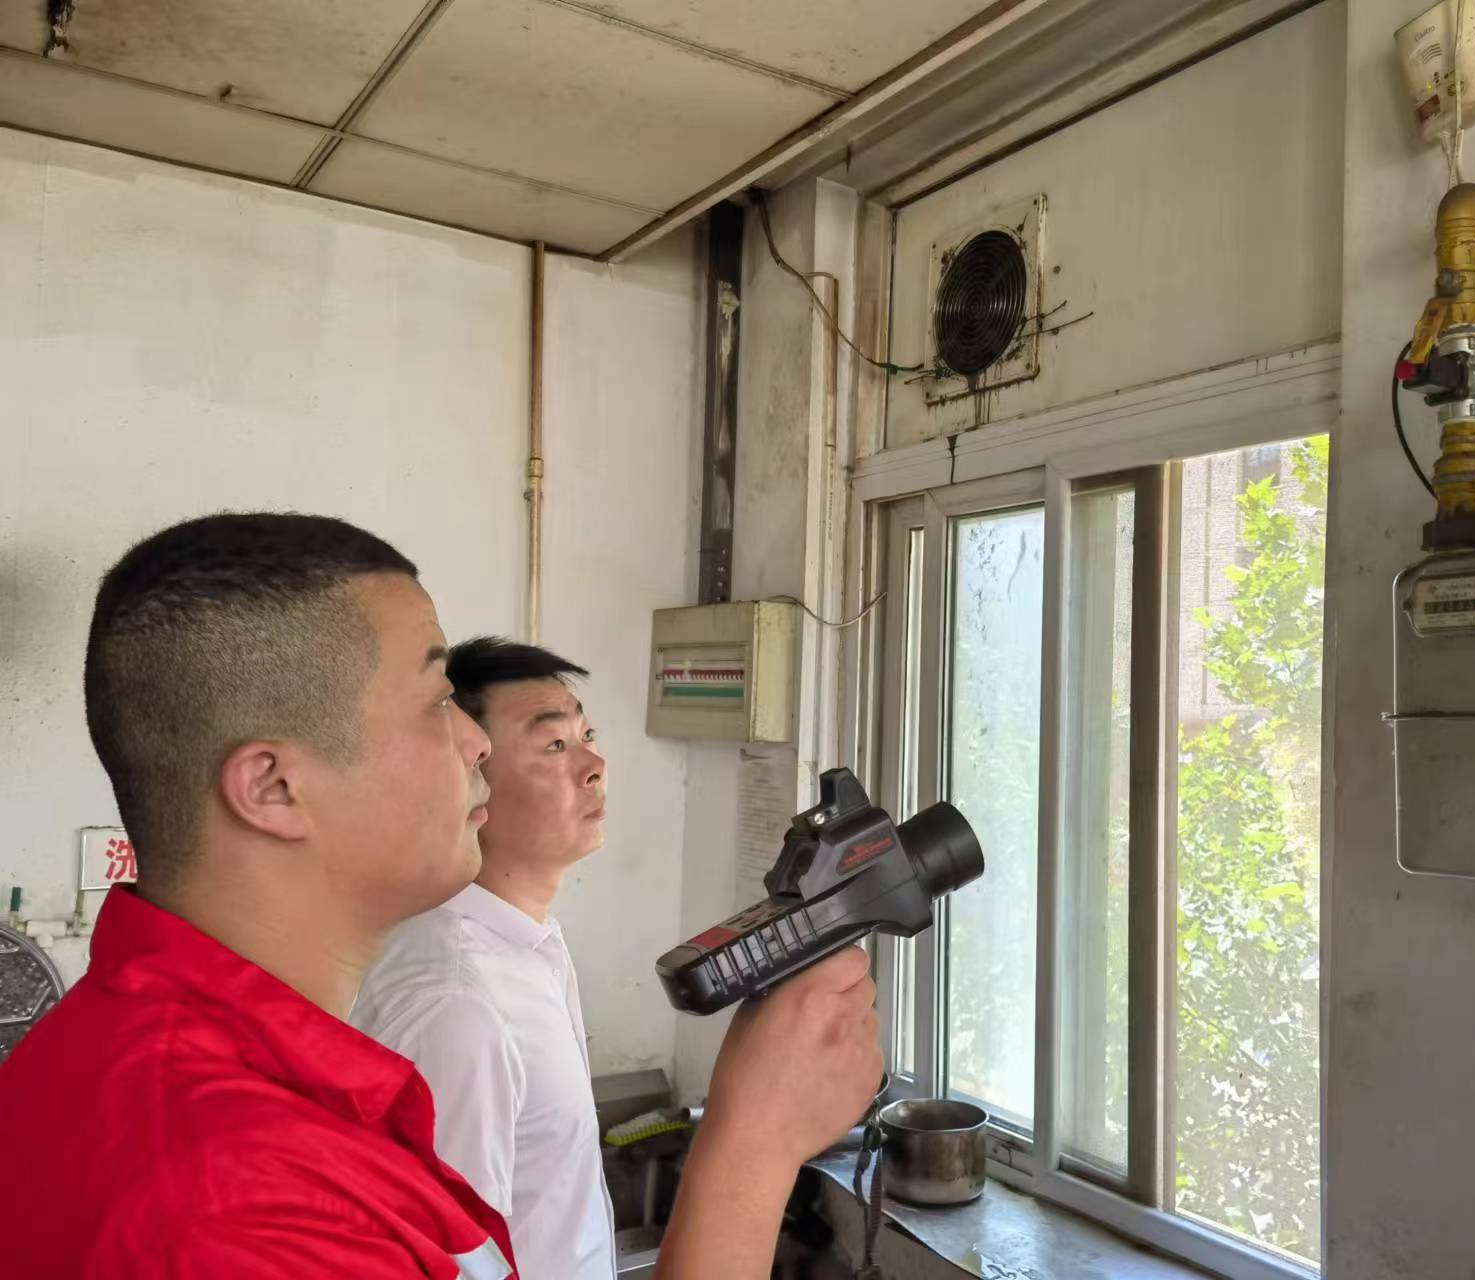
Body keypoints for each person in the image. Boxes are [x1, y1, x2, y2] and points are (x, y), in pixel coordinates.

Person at [0, 513, 883, 1279]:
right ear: (273, 787)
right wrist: (751, 1144)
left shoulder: (151, 1065)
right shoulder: (239, 1205)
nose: (474, 744)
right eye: (433, 700)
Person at [351, 637, 619, 1279]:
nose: (594, 765)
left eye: (587, 734)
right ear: (469, 775)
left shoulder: (528, 948)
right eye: (554, 745)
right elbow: (452, 1264)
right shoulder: (460, 1004)